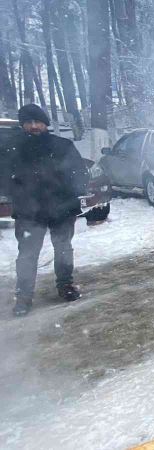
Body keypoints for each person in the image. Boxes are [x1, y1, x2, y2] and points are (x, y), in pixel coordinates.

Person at [6, 104, 88, 316]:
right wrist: (18, 193)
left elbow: (80, 173)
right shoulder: (11, 148)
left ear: (45, 124)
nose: (34, 126)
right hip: (28, 212)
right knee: (27, 255)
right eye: (28, 122)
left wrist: (71, 192)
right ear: (23, 125)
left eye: (38, 122)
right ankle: (23, 297)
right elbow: (3, 178)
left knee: (63, 249)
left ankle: (65, 286)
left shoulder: (62, 145)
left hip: (61, 209)